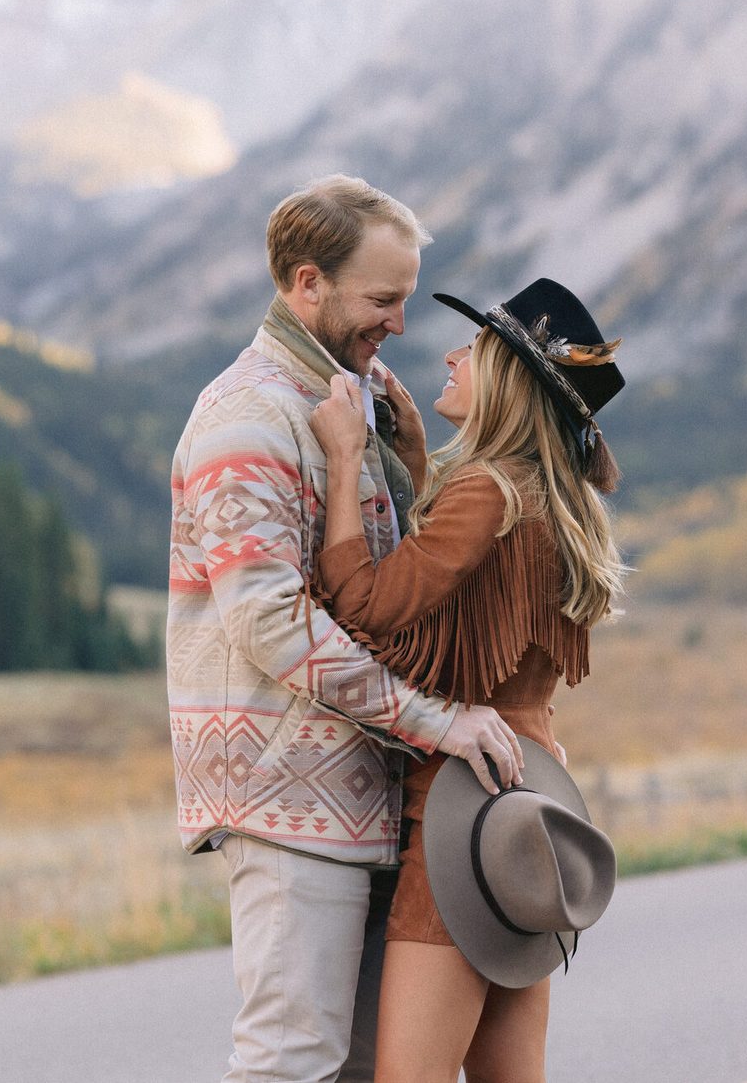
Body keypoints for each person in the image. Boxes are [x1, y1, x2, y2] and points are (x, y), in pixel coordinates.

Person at [167, 174, 526, 1083]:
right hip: (289, 795)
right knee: (291, 1065)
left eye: (405, 298)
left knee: (366, 1071)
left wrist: (406, 461)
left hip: (365, 788)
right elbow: (272, 627)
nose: (400, 324)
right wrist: (440, 721)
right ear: (305, 282)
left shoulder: (344, 397)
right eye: (383, 299)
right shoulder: (248, 416)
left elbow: (385, 590)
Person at [307, 277, 627, 1083]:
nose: (450, 354)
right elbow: (472, 607)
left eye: (475, 349)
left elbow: (371, 609)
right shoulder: (554, 500)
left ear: (511, 383)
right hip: (530, 810)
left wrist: (347, 460)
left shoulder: (487, 491)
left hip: (460, 812)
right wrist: (417, 463)